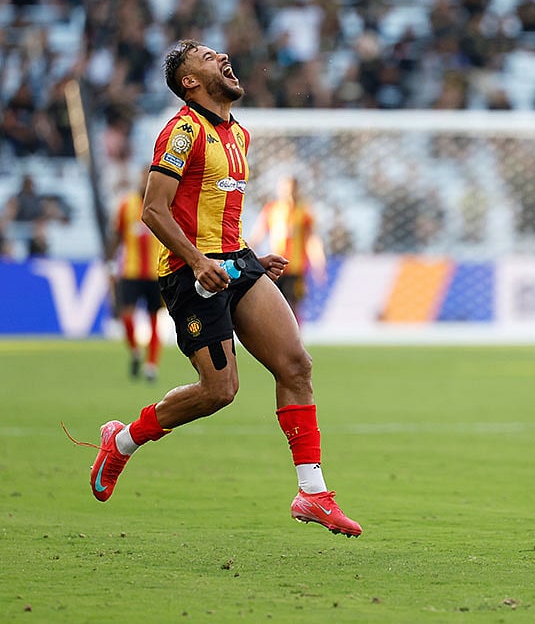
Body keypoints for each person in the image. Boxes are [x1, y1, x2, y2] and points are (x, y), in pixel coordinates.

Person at [71, 40, 361, 537]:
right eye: (206, 57)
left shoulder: (238, 135)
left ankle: (312, 493)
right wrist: (198, 259)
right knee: (220, 391)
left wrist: (248, 257)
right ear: (190, 82)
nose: (222, 57)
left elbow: (217, 212)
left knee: (296, 365)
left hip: (236, 261)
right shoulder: (182, 133)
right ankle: (121, 441)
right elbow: (154, 210)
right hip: (191, 274)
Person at [107, 174, 163, 382]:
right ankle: (135, 351)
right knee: (126, 316)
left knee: (154, 320)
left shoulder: (163, 202)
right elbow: (117, 235)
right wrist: (111, 263)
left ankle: (151, 366)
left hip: (155, 272)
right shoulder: (126, 205)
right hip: (130, 271)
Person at [248, 175, 326, 322]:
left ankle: (294, 339)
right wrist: (247, 250)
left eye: (291, 190)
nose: (288, 193)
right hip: (275, 266)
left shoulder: (304, 211)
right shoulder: (271, 210)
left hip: (296, 267)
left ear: (297, 190)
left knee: (294, 305)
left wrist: (318, 264)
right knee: (273, 305)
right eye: (285, 190)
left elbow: (312, 239)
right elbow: (258, 234)